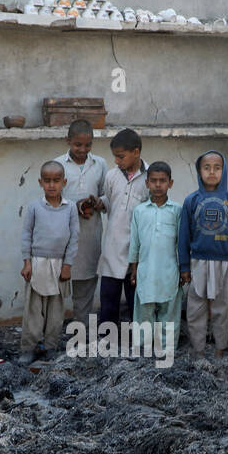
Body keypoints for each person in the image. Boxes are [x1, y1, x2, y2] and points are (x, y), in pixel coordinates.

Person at [178, 150, 228, 357]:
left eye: (217, 167)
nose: (212, 172)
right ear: (199, 171)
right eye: (206, 167)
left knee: (221, 308)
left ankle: (219, 349)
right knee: (195, 308)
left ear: (223, 171)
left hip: (223, 262)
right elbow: (183, 236)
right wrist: (185, 267)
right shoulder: (192, 200)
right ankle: (198, 349)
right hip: (198, 261)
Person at [19, 160, 79, 364]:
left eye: (56, 181)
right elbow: (26, 235)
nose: (51, 185)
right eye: (47, 181)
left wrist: (68, 265)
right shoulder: (35, 207)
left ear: (64, 182)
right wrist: (27, 262)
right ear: (40, 182)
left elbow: (74, 238)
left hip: (59, 266)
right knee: (33, 310)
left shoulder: (70, 208)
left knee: (55, 311)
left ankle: (51, 346)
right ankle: (28, 348)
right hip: (37, 264)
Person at [126, 162, 182, 358]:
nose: (158, 185)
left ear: (170, 183)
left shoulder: (177, 210)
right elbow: (135, 243)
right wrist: (133, 269)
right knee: (144, 313)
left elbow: (181, 244)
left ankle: (167, 351)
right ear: (147, 183)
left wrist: (183, 270)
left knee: (169, 314)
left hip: (169, 271)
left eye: (163, 181)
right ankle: (143, 350)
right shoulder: (140, 211)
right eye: (154, 181)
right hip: (146, 271)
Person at [55, 119, 108, 320]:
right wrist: (75, 206)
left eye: (88, 145)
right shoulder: (58, 164)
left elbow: (106, 195)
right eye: (78, 144)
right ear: (67, 141)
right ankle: (52, 329)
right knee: (57, 283)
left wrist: (97, 202)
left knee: (85, 283)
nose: (83, 149)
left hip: (89, 234)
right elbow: (51, 201)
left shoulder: (100, 164)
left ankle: (82, 330)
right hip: (63, 235)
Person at [97, 128, 147, 328]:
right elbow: (111, 201)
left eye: (120, 156)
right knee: (109, 298)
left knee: (136, 298)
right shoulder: (111, 176)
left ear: (136, 152)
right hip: (113, 245)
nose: (117, 161)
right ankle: (106, 339)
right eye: (115, 157)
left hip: (137, 250)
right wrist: (99, 203)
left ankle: (137, 340)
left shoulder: (150, 177)